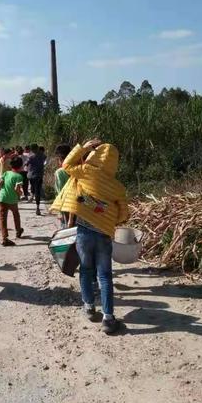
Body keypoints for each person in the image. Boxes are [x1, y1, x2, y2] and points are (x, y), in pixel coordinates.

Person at [51, 139, 129, 334]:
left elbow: (66, 165)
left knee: (86, 270)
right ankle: (108, 318)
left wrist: (83, 147)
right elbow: (123, 214)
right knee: (105, 275)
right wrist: (108, 215)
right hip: (104, 234)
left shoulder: (85, 171)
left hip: (84, 232)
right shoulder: (117, 186)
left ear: (96, 155)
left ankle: (88, 307)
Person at [0, 156, 24, 246]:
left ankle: (4, 238)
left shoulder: (6, 173)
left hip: (2, 198)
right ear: (21, 166)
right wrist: (20, 194)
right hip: (12, 200)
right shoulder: (19, 176)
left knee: (2, 218)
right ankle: (18, 230)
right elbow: (17, 188)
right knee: (16, 214)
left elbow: (0, 184)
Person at [54, 144, 72, 228]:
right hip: (78, 206)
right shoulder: (78, 168)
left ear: (61, 159)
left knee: (66, 230)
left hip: (66, 206)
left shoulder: (60, 172)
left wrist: (60, 211)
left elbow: (60, 193)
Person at [26, 144, 45, 216]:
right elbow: (45, 161)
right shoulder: (43, 155)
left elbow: (26, 164)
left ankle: (32, 196)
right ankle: (37, 207)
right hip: (39, 176)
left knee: (34, 188)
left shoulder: (31, 156)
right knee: (37, 191)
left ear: (31, 149)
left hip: (32, 175)